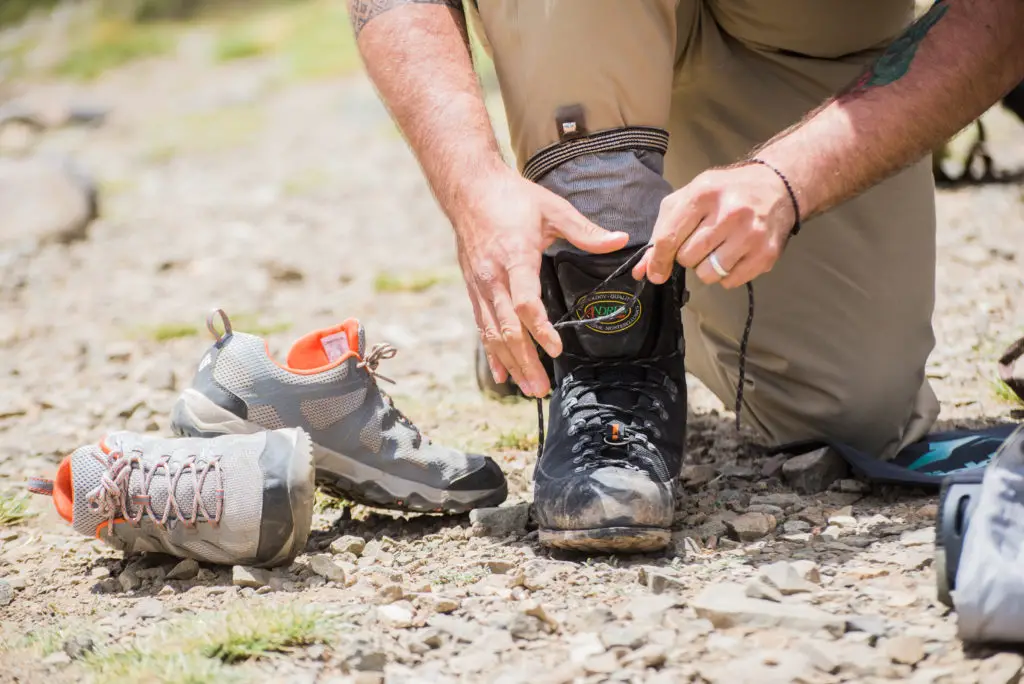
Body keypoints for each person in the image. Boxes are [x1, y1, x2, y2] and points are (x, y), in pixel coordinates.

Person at [350, 0, 1024, 553]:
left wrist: (792, 178)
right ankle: (602, 336)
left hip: (809, 45)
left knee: (850, 413)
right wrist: (473, 186)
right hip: (592, 28)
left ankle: (587, 294)